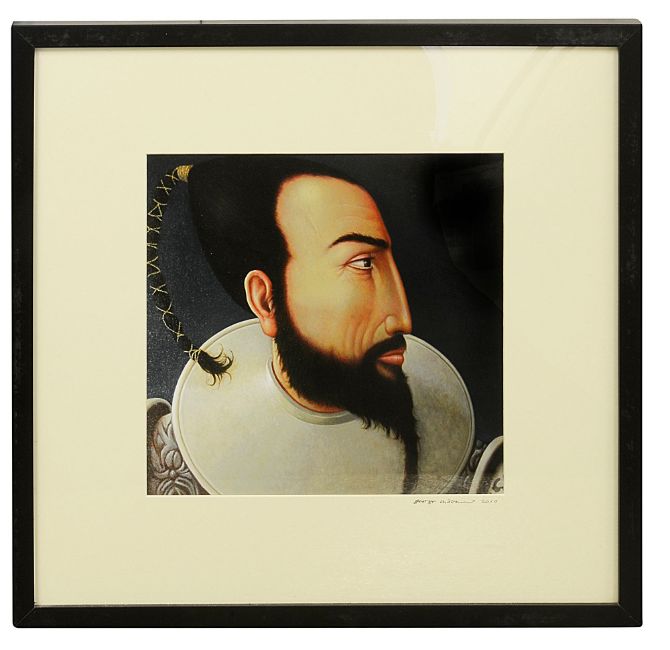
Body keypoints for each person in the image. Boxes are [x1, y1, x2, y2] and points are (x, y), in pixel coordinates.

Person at [147, 157, 495, 495]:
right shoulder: (163, 458)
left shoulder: (486, 471)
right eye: (363, 263)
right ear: (266, 301)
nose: (403, 319)